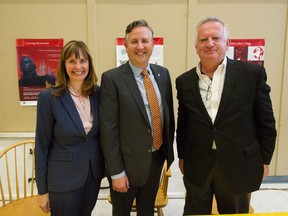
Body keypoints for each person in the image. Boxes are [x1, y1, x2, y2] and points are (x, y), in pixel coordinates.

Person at [176, 17, 277, 215]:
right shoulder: (184, 81)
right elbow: (184, 122)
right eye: (204, 39)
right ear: (196, 46)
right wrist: (181, 156)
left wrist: (264, 159)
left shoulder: (251, 74)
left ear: (227, 43)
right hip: (198, 163)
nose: (210, 43)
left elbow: (266, 121)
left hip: (237, 164)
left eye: (216, 38)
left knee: (234, 213)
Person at [100, 19, 175, 216]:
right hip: (126, 166)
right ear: (125, 46)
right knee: (122, 212)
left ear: (152, 44)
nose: (140, 46)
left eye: (145, 41)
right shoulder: (112, 79)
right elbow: (108, 130)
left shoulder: (163, 74)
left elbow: (168, 116)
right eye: (134, 42)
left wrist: (168, 151)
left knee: (146, 211)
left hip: (156, 159)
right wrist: (116, 172)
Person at [35, 40, 105, 216]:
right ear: (63, 65)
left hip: (92, 176)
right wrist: (42, 191)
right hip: (62, 180)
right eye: (72, 61)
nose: (78, 66)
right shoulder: (49, 98)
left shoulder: (99, 94)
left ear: (89, 63)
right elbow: (42, 146)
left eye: (82, 61)